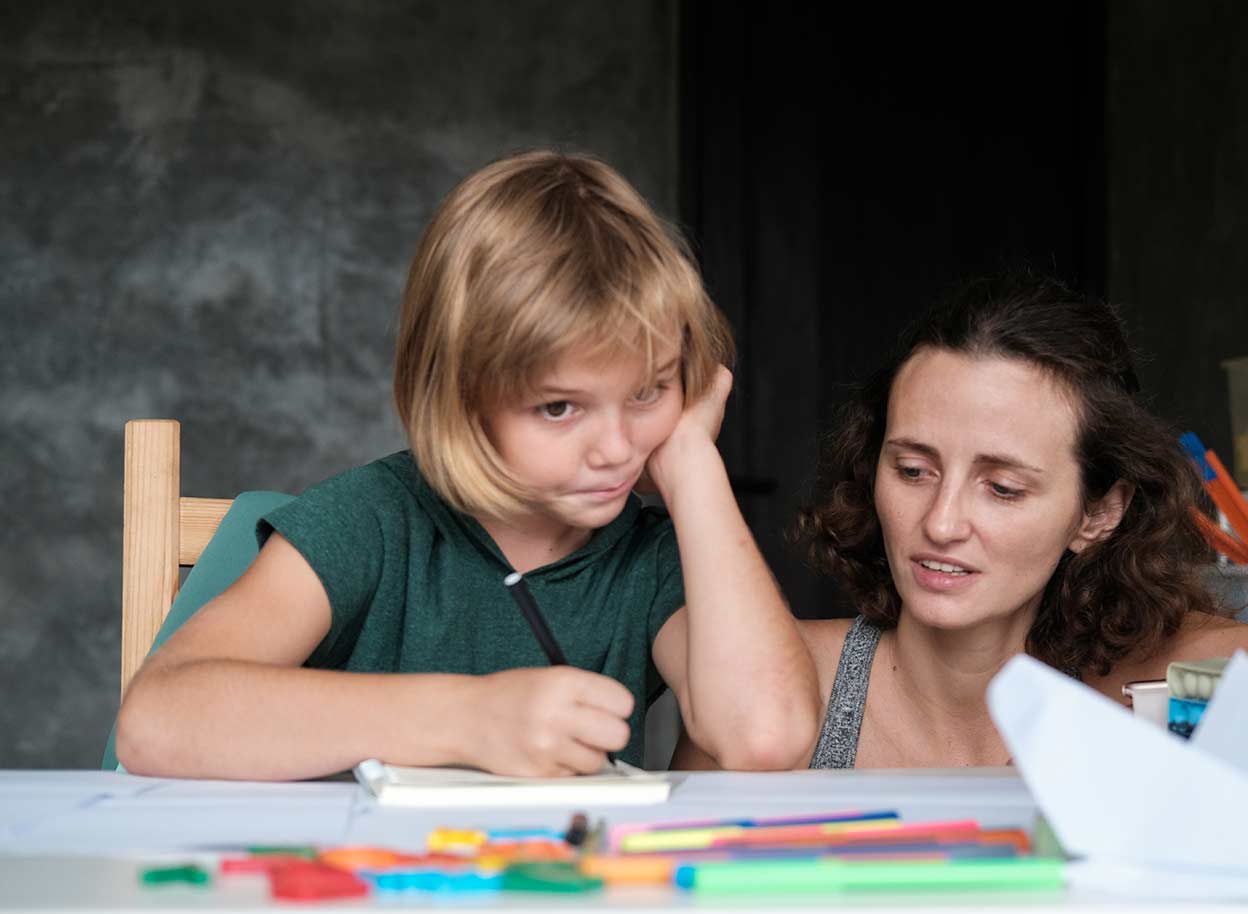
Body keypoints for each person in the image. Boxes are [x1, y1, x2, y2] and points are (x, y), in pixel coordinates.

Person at [116, 150, 818, 780]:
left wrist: (694, 461)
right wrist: (469, 716)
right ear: (461, 398)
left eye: (648, 391)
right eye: (559, 408)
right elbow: (156, 718)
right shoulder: (373, 522)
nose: (616, 447)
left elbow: (766, 734)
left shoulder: (651, 559)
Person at [671, 274, 1248, 770]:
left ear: (1098, 512)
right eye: (912, 471)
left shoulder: (1166, 675)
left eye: (1001, 487)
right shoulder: (771, 681)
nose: (940, 522)